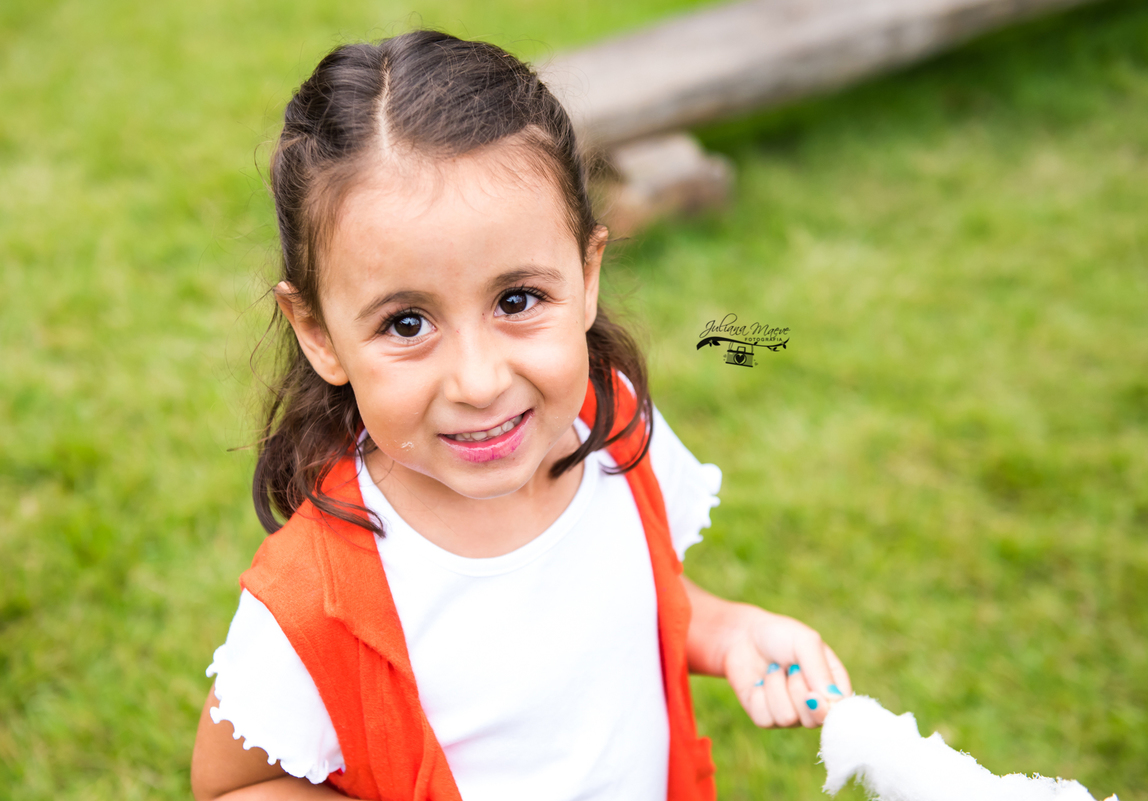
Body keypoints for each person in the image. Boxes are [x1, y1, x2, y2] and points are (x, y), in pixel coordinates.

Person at [190, 30, 852, 801]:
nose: (477, 380)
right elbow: (236, 784)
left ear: (587, 273)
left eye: (517, 300)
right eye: (407, 323)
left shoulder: (616, 432)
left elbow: (633, 600)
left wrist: (729, 628)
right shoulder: (318, 595)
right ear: (318, 334)